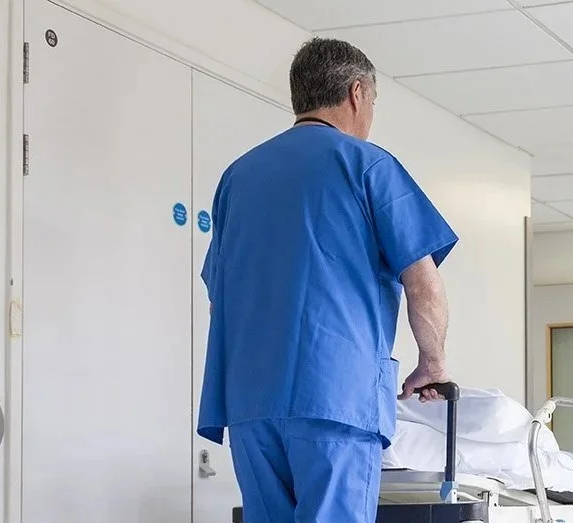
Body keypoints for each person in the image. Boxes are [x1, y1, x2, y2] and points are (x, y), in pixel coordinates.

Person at [197, 37, 460, 523]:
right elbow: (422, 278)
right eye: (374, 102)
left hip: (249, 403)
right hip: (335, 396)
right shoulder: (368, 165)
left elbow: (219, 297)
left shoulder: (238, 177)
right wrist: (433, 363)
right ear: (358, 93)